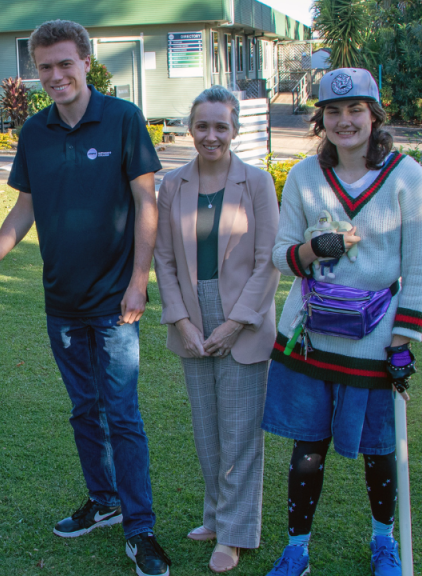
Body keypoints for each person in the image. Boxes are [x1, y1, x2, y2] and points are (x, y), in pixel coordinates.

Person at [0, 19, 171, 576]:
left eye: (65, 63)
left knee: (123, 414)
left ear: (87, 61)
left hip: (115, 302)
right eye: (45, 67)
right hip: (61, 301)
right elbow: (25, 208)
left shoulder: (124, 120)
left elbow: (146, 206)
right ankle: (103, 501)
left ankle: (141, 528)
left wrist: (140, 280)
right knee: (85, 409)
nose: (56, 75)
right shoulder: (35, 132)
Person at [261, 68, 422, 576]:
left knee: (380, 450)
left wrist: (403, 340)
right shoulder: (303, 176)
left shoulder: (407, 176)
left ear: (374, 115)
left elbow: (419, 267)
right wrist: (318, 248)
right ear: (321, 120)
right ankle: (296, 549)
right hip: (310, 334)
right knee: (306, 450)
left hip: (375, 342)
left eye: (355, 110)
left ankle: (384, 542)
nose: (344, 121)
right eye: (332, 112)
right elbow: (279, 255)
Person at [153, 86, 280, 573]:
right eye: (202, 126)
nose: (211, 135)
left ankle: (234, 534)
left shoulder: (258, 183)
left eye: (220, 127)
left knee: (240, 432)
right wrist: (181, 319)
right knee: (208, 432)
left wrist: (234, 323)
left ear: (235, 130)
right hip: (191, 313)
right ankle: (215, 514)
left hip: (243, 318)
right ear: (190, 127)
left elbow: (270, 261)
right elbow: (164, 260)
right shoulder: (174, 185)